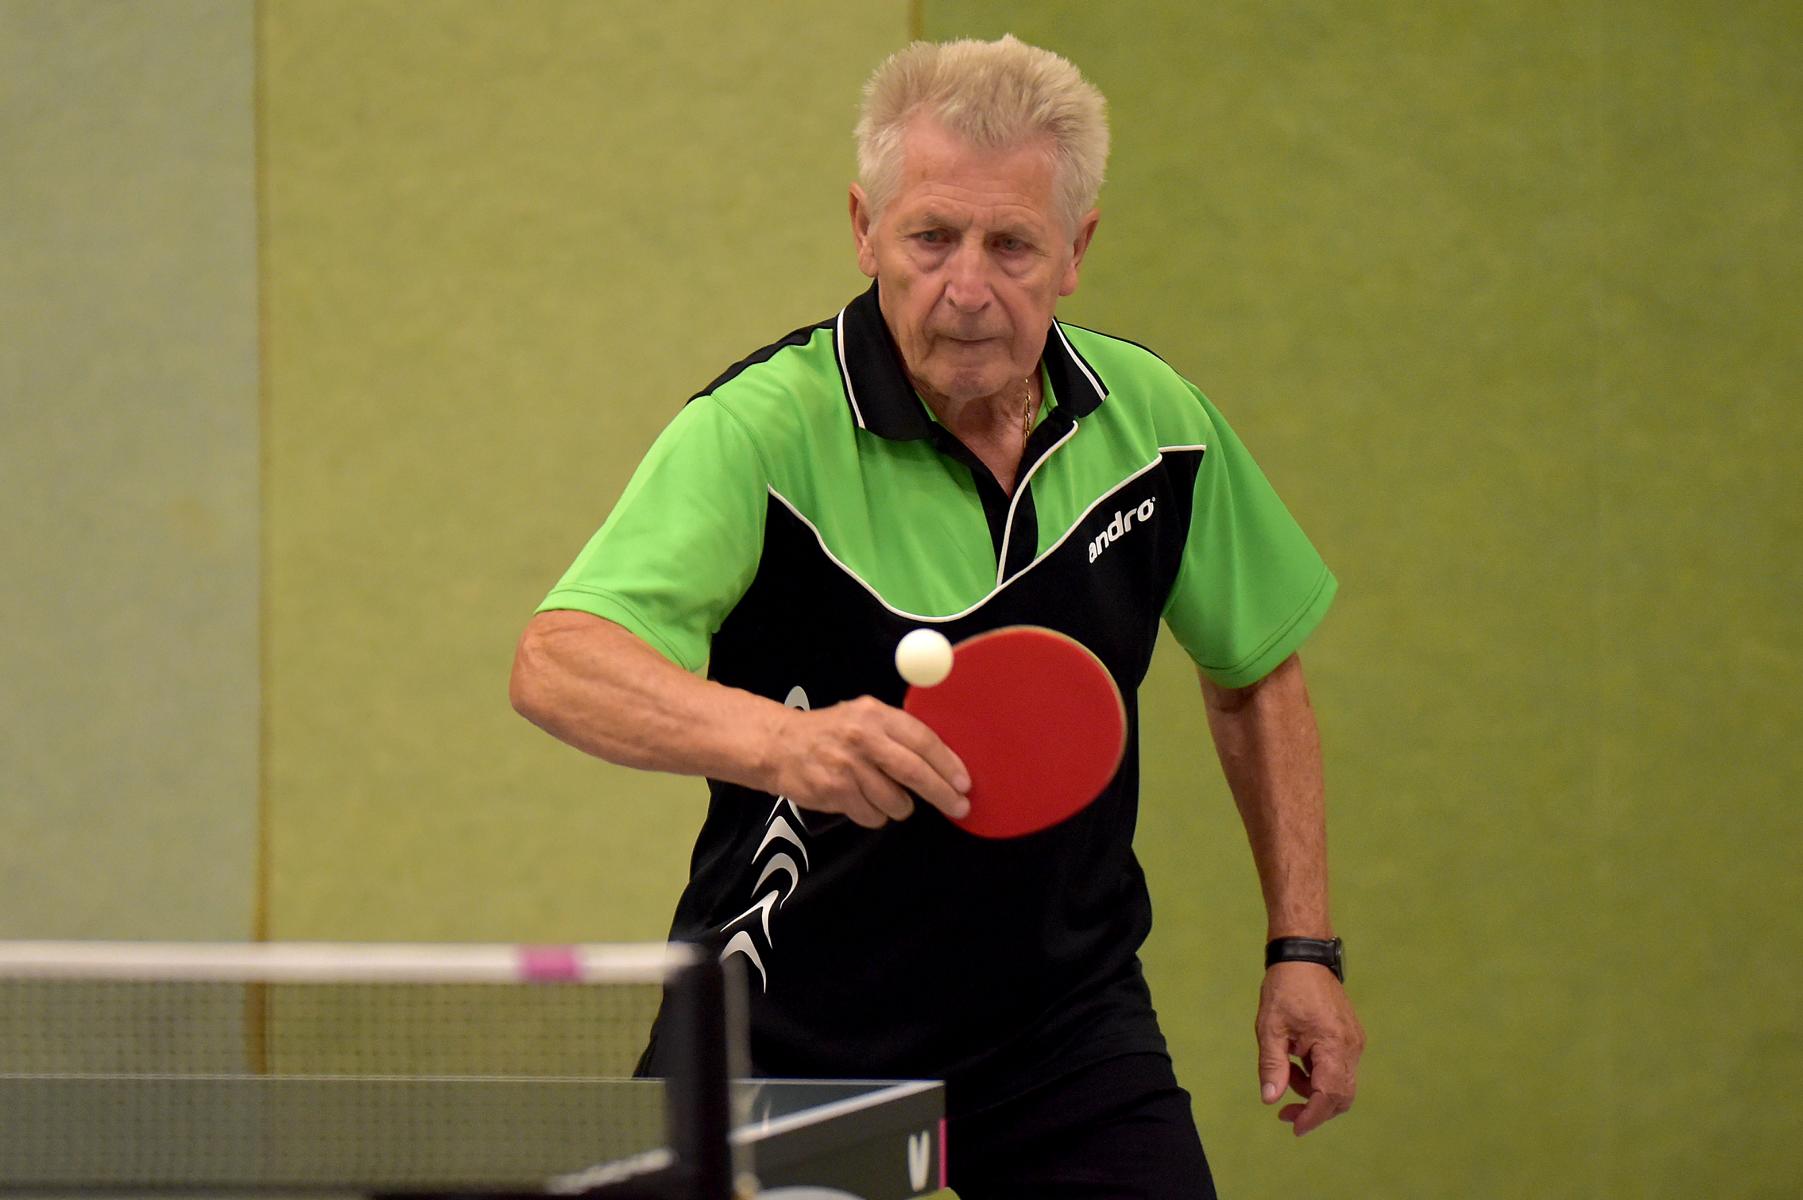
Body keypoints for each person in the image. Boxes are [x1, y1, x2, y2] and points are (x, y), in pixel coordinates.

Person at [511, 35, 1363, 1198]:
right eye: (930, 238)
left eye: (1011, 244)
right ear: (865, 230)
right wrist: (784, 743)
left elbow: (1256, 672)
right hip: (786, 1028)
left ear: (1077, 250)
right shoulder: (760, 432)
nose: (967, 288)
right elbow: (559, 662)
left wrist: (1303, 945)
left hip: (1063, 1023)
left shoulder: (1157, 426)